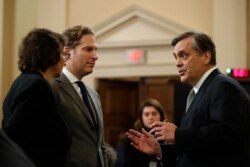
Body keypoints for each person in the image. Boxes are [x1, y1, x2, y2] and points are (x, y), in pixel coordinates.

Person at [126, 31, 250, 167]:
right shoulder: (197, 92)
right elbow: (194, 150)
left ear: (206, 56)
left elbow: (226, 134)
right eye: (176, 57)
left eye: (183, 55)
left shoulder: (223, 86)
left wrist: (178, 134)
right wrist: (159, 150)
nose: (177, 63)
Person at [2, 28, 71, 167]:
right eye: (63, 55)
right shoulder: (37, 86)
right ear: (50, 55)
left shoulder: (22, 81)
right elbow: (12, 137)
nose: (64, 61)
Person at [50, 25, 108, 167]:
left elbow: (100, 145)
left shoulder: (94, 95)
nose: (95, 56)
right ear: (67, 52)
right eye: (88, 49)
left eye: (95, 49)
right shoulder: (51, 88)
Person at [115, 98, 175, 167]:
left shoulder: (168, 138)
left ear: (161, 116)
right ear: (141, 118)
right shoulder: (132, 139)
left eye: (154, 113)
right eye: (146, 114)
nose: (151, 117)